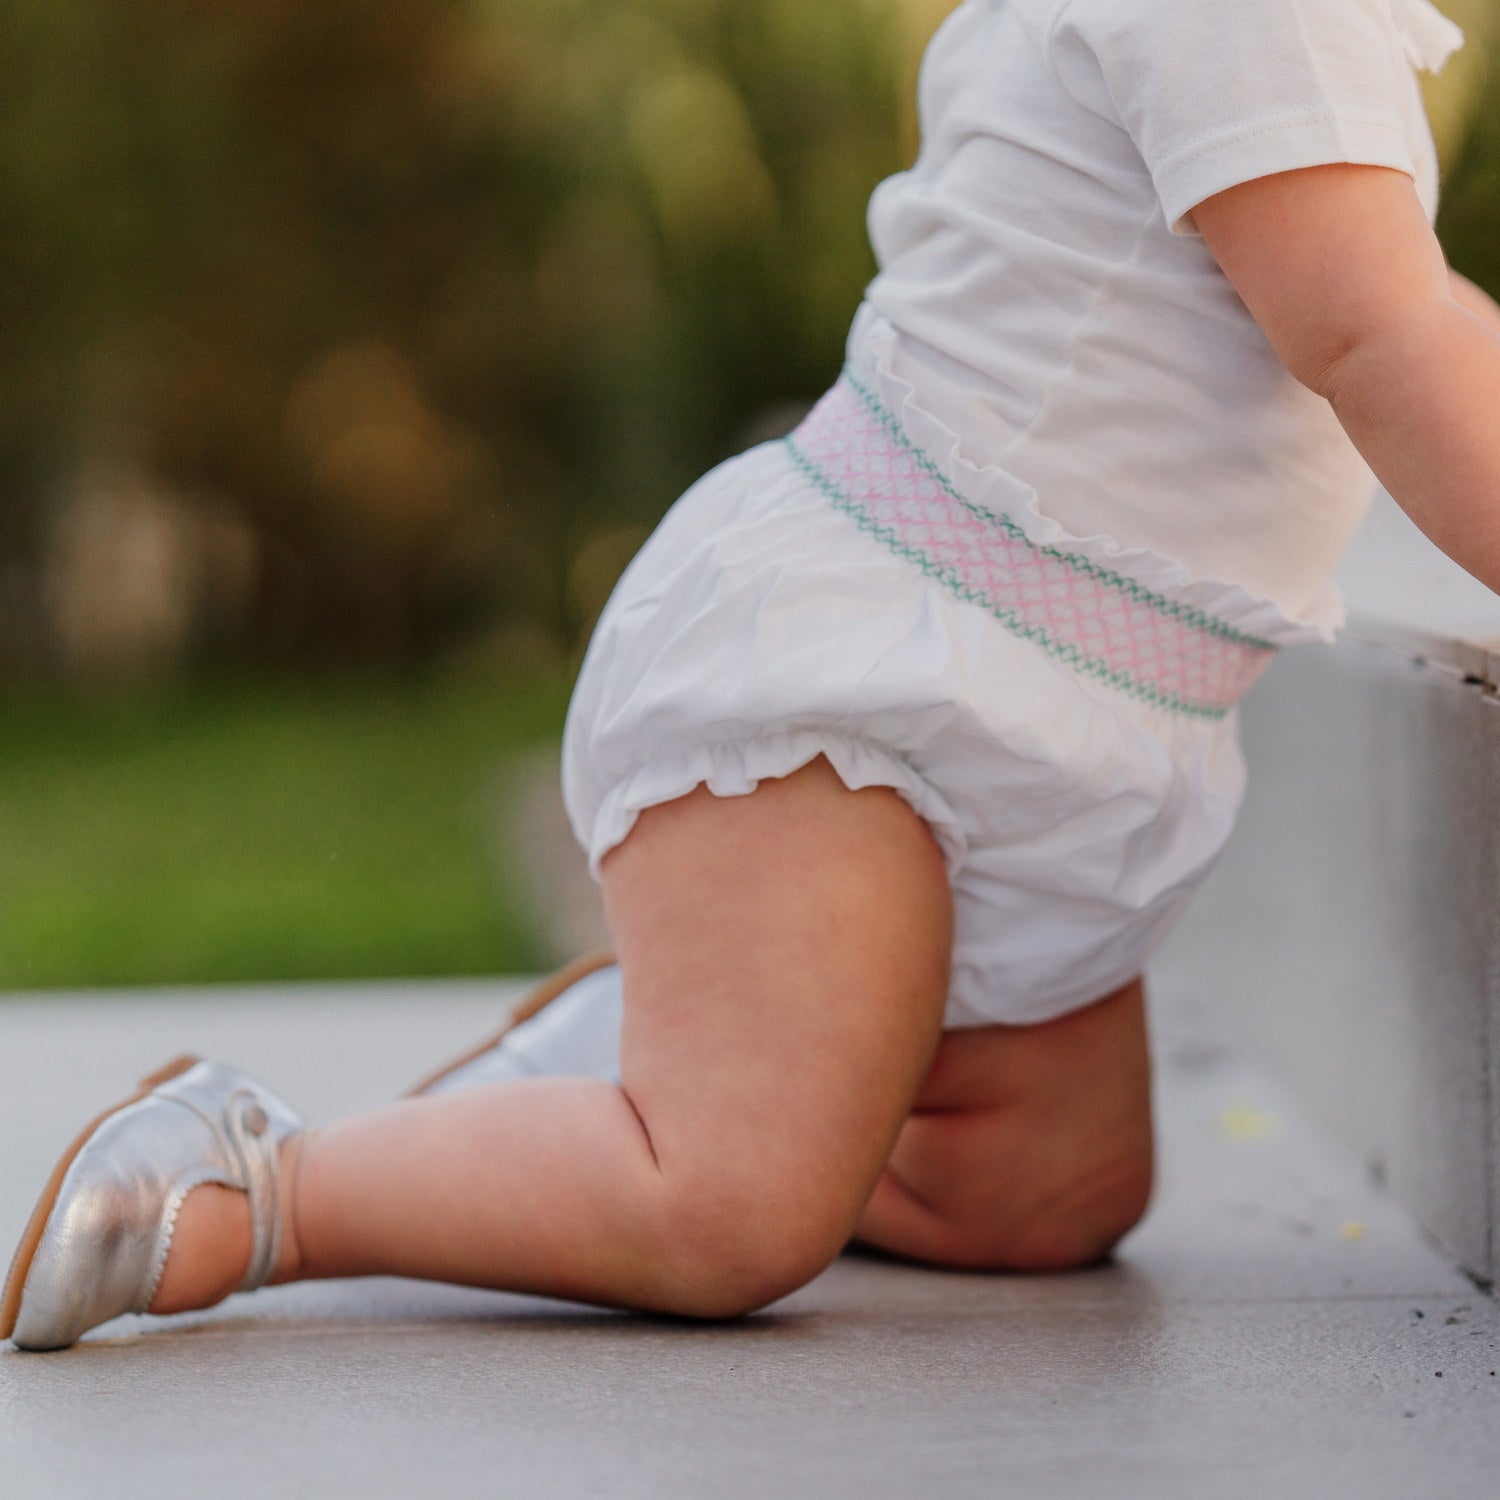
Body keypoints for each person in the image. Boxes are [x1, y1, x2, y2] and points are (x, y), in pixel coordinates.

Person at [6, 0, 1498, 1352]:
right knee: (729, 1215)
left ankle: (714, 1054)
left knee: (1041, 1195)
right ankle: (266, 1182)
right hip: (870, 683)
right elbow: (1385, 336)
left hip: (1068, 700)